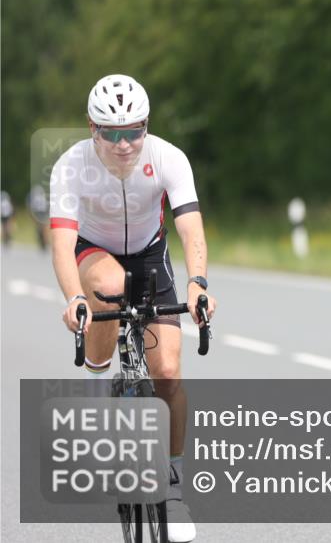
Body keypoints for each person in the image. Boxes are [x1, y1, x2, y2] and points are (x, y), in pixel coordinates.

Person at [49, 74, 217, 543]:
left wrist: (199, 284)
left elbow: (190, 228)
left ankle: (176, 489)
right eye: (112, 133)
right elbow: (62, 243)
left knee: (168, 371)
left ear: (147, 125)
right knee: (108, 284)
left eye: (134, 131)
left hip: (149, 250)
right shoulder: (70, 165)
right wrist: (74, 299)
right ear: (92, 129)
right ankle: (100, 377)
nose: (125, 144)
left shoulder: (168, 157)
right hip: (93, 251)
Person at [27, 183, 50, 250]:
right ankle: (45, 240)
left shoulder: (33, 196)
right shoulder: (44, 195)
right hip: (43, 212)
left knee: (40, 226)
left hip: (38, 213)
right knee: (44, 227)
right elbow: (48, 205)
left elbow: (30, 206)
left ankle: (43, 238)